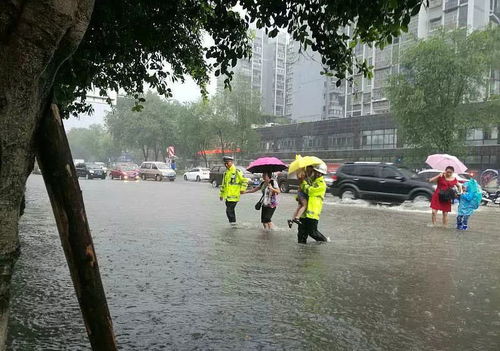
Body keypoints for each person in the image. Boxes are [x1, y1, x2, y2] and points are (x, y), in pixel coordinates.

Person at [297, 163, 329, 244]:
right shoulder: (310, 180)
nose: (318, 174)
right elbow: (302, 192)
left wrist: (303, 183)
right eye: (317, 172)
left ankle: (325, 242)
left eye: (320, 173)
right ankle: (301, 253)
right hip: (304, 213)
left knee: (312, 232)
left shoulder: (321, 184)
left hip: (312, 213)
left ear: (323, 174)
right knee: (301, 234)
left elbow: (310, 191)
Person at [219, 156, 248, 224]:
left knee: (229, 211)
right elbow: (223, 185)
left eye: (227, 163)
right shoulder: (226, 173)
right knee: (230, 211)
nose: (226, 165)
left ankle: (233, 225)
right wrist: (221, 195)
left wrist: (242, 189)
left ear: (231, 162)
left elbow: (245, 181)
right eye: (225, 163)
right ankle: (232, 223)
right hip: (227, 197)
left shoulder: (237, 171)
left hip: (234, 196)